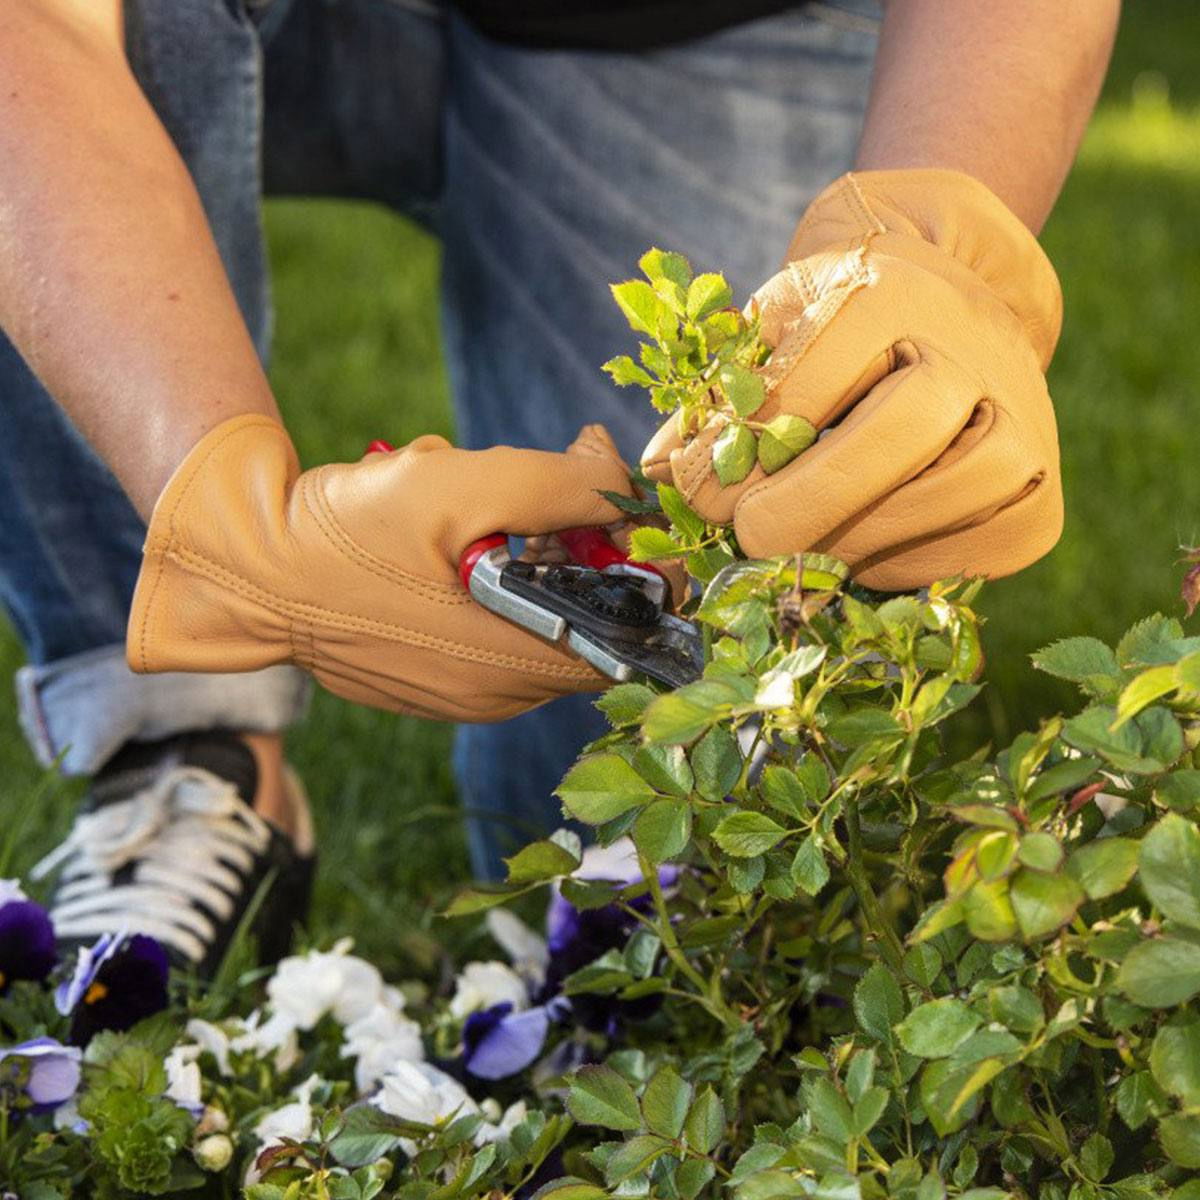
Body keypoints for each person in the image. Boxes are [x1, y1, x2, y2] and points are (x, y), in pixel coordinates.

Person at [0, 0, 1119, 973]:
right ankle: (180, 758)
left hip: (694, 28)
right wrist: (228, 513)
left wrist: (939, 243)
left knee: (623, 848)